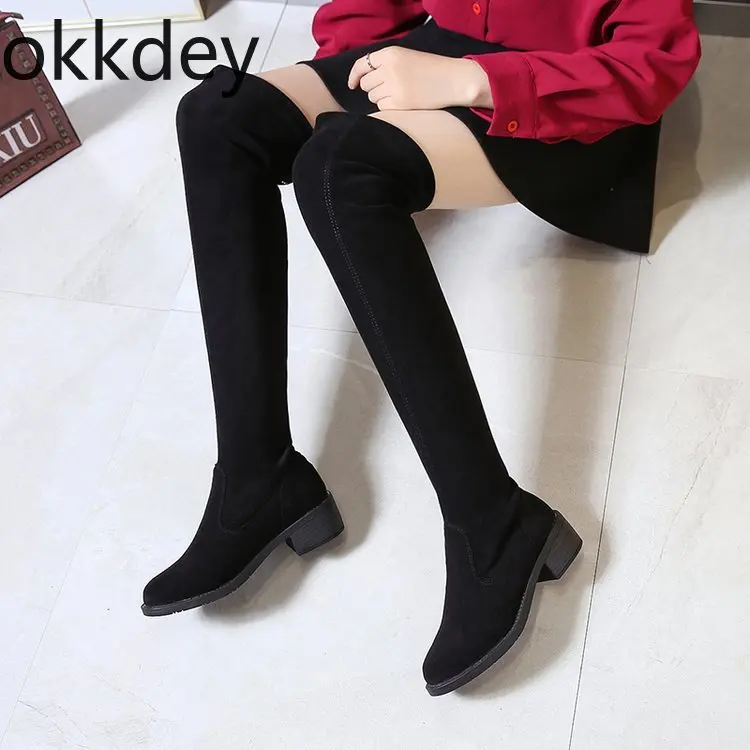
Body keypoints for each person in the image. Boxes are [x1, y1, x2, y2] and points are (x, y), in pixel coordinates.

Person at [142, 0, 701, 695]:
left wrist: (471, 81)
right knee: (218, 117)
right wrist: (362, 76)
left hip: (569, 96)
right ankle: (259, 480)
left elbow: (651, 61)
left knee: (339, 171)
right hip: (437, 53)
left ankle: (495, 525)